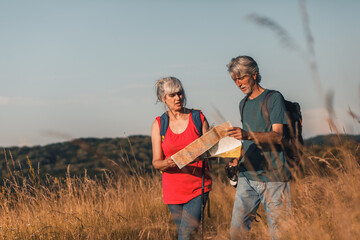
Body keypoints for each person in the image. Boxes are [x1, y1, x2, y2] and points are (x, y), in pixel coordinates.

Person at [226, 56, 291, 239]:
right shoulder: (243, 104)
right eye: (234, 80)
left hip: (274, 177)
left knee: (279, 233)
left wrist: (247, 134)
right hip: (247, 176)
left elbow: (278, 135)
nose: (238, 83)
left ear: (254, 74)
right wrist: (235, 159)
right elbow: (246, 141)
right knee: (237, 233)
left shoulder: (274, 98)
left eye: (241, 77)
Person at [151, 77, 212, 240]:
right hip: (173, 190)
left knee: (186, 234)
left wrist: (192, 156)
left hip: (197, 187)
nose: (178, 98)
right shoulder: (159, 124)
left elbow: (209, 152)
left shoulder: (198, 117)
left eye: (180, 93)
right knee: (186, 234)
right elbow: (156, 162)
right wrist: (167, 162)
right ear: (163, 98)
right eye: (172, 95)